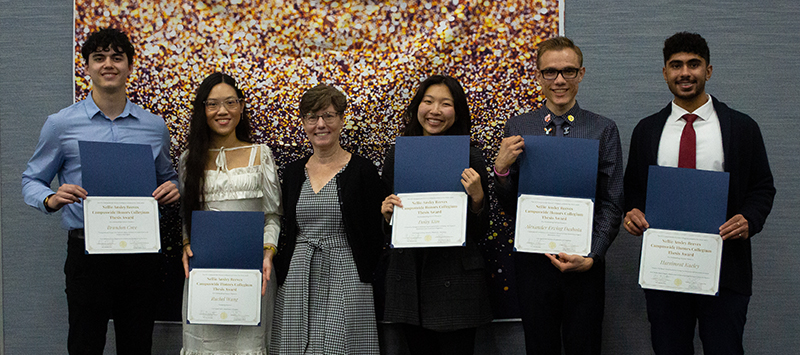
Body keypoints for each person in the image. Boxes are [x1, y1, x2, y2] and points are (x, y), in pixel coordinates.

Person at [20, 27, 179, 354]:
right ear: (87, 67)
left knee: (137, 345)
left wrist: (172, 189)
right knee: (84, 343)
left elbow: (169, 177)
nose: (109, 64)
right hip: (87, 254)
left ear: (130, 67)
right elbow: (31, 180)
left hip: (140, 254)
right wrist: (50, 199)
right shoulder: (61, 124)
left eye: (117, 57)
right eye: (99, 57)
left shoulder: (154, 126)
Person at [622, 32, 775, 355]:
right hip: (665, 271)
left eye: (694, 64)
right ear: (665, 72)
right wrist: (632, 212)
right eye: (675, 65)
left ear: (708, 70)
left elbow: (762, 187)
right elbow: (634, 190)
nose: (685, 73)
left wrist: (750, 218)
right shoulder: (647, 130)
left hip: (725, 271)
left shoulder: (742, 128)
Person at [493, 36, 623, 355]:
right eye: (550, 72)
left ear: (581, 74)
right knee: (539, 348)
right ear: (538, 76)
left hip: (584, 262)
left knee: (585, 347)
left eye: (568, 71)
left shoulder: (602, 129)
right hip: (533, 263)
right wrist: (500, 170)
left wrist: (592, 255)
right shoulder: (518, 126)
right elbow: (510, 206)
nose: (559, 80)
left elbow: (612, 201)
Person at [379, 75, 492, 354]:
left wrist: (478, 199)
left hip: (457, 284)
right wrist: (386, 214)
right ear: (417, 106)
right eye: (428, 102)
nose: (435, 111)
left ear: (457, 111)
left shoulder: (471, 156)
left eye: (445, 104)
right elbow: (388, 228)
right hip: (410, 281)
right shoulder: (398, 155)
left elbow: (480, 232)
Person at [271, 84, 386, 354]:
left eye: (329, 116)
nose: (320, 124)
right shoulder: (292, 172)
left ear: (342, 120)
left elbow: (375, 233)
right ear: (303, 123)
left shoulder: (362, 170)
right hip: (299, 273)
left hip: (347, 272)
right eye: (312, 117)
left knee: (343, 345)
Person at [178, 72, 282, 354]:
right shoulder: (189, 160)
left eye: (230, 102)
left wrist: (268, 251)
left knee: (248, 345)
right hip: (205, 274)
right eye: (212, 104)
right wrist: (186, 244)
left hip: (252, 273)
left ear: (242, 106)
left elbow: (273, 215)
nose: (222, 111)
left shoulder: (261, 154)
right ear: (203, 110)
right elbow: (187, 215)